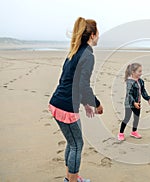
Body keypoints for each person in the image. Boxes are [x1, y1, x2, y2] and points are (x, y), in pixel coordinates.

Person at [49, 17, 103, 182]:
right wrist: (97, 104)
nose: (99, 36)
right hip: (66, 107)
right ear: (92, 35)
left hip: (57, 102)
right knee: (77, 145)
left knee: (72, 142)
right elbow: (83, 85)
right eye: (98, 33)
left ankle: (71, 177)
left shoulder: (74, 51)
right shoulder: (87, 55)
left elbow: (70, 82)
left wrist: (85, 102)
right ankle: (71, 180)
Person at [118, 63, 150, 141]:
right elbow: (129, 94)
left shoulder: (141, 81)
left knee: (136, 118)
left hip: (138, 102)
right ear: (133, 72)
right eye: (139, 71)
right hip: (129, 103)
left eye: (141, 71)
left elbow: (143, 91)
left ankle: (134, 132)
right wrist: (133, 102)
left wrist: (148, 98)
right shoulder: (129, 82)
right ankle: (121, 133)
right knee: (127, 118)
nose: (141, 73)